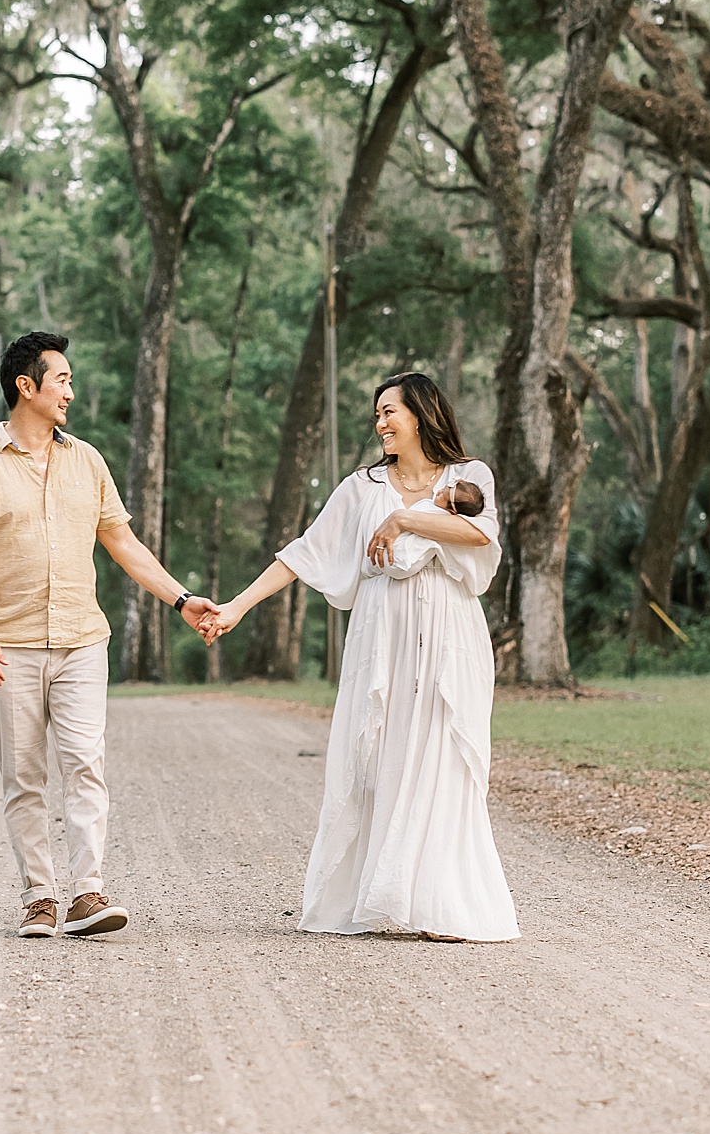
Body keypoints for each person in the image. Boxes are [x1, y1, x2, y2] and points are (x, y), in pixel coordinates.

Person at [211, 372, 519, 942]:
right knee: (380, 754)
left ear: (422, 414)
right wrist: (237, 606)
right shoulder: (360, 487)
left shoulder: (469, 477)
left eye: (389, 411)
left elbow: (480, 535)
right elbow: (304, 553)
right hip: (382, 632)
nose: (379, 423)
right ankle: (382, 896)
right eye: (376, 414)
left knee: (443, 753)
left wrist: (403, 517)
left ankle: (443, 904)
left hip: (448, 629)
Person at [0, 329, 218, 940]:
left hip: (82, 640)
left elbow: (122, 542)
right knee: (24, 774)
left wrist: (182, 599)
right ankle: (40, 897)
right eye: (61, 379)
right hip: (7, 646)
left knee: (85, 764)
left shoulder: (87, 461)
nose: (71, 390)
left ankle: (87, 892)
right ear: (25, 386)